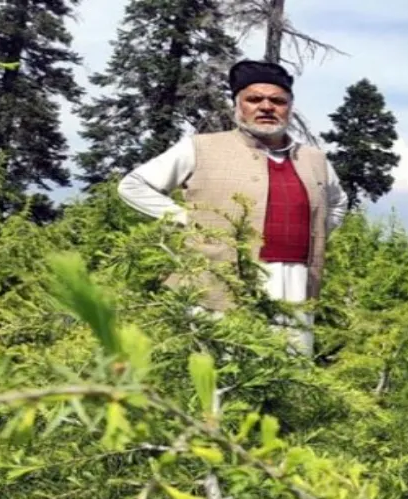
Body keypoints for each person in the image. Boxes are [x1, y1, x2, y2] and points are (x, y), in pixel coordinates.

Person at [116, 60, 347, 356]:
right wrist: (189, 219)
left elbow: (338, 202)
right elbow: (133, 185)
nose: (266, 107)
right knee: (222, 369)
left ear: (289, 106)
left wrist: (317, 232)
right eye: (254, 99)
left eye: (277, 100)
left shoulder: (314, 159)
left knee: (289, 371)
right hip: (219, 279)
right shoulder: (201, 148)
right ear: (237, 105)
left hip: (296, 280)